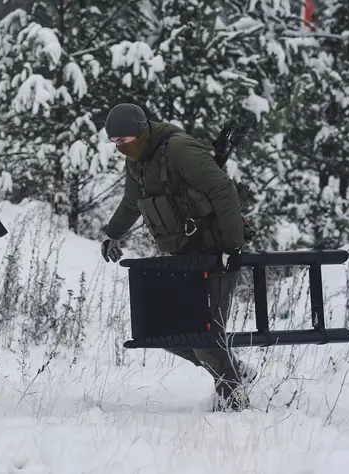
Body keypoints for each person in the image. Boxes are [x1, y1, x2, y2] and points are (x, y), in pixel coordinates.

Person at [99, 103, 255, 411]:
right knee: (167, 333)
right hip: (183, 256)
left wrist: (233, 247)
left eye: (124, 140)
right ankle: (237, 372)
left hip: (216, 253)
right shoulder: (138, 162)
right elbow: (132, 202)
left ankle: (235, 404)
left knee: (205, 336)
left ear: (141, 132)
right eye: (115, 142)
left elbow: (224, 191)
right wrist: (112, 234)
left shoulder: (180, 150)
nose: (120, 147)